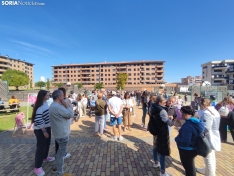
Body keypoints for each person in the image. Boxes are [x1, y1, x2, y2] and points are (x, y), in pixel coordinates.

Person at [49, 90, 74, 176]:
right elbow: (70, 114)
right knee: (61, 154)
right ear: (59, 97)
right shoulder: (57, 107)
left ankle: (57, 167)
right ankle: (60, 172)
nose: (64, 97)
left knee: (59, 152)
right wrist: (67, 106)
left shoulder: (53, 105)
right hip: (62, 134)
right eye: (63, 95)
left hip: (58, 133)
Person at [175, 106, 204, 176]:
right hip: (194, 147)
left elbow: (185, 142)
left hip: (186, 150)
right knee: (191, 167)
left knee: (189, 169)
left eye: (181, 113)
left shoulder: (187, 125)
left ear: (185, 114)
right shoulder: (197, 122)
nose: (181, 115)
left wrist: (177, 139)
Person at [31, 90, 54, 176]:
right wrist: (44, 131)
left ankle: (45, 157)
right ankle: (37, 167)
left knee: (47, 144)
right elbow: (38, 119)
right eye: (48, 95)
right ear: (43, 96)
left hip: (47, 127)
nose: (49, 96)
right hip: (41, 130)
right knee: (40, 148)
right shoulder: (40, 106)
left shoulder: (46, 104)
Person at [196, 98, 221, 176]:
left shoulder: (207, 113)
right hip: (214, 136)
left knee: (208, 158)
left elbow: (206, 128)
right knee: (211, 156)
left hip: (208, 137)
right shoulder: (214, 111)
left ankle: (210, 173)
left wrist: (199, 134)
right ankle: (206, 170)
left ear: (202, 105)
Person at [150, 95, 173, 176]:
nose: (165, 104)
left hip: (155, 130)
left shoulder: (152, 107)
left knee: (155, 146)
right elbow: (169, 123)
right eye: (164, 103)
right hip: (162, 132)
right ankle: (162, 172)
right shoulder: (162, 111)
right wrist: (171, 118)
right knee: (162, 150)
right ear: (159, 102)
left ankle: (156, 162)